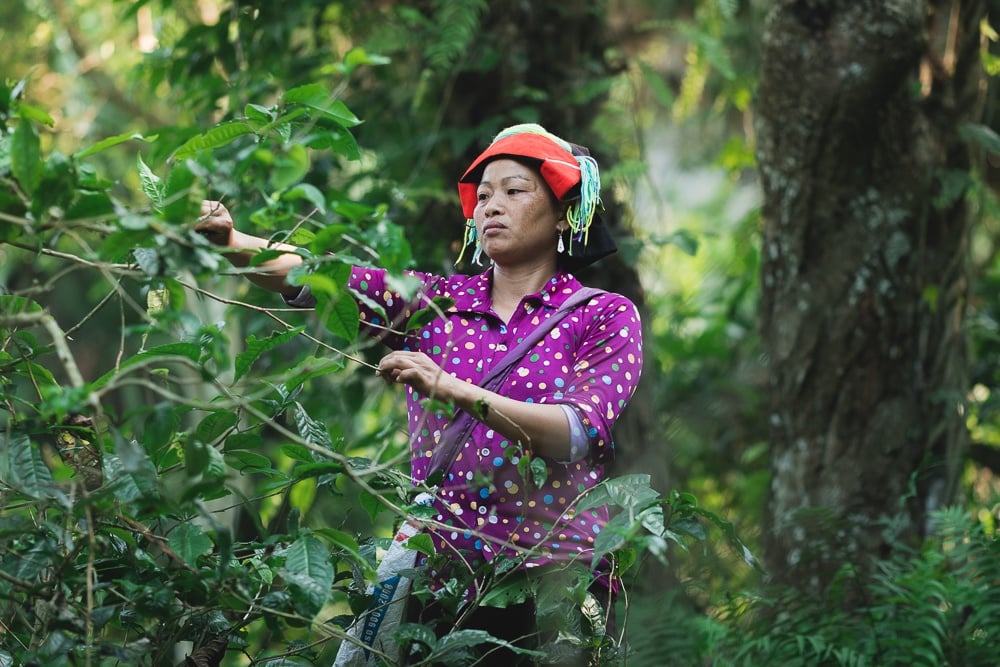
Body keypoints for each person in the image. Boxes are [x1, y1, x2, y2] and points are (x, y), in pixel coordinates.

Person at [195, 124, 643, 665]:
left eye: (514, 190)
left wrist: (452, 388)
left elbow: (573, 433)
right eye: (483, 197)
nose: (491, 206)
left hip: (553, 583)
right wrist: (232, 242)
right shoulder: (436, 301)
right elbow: (321, 277)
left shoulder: (604, 314)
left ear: (562, 211)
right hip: (437, 575)